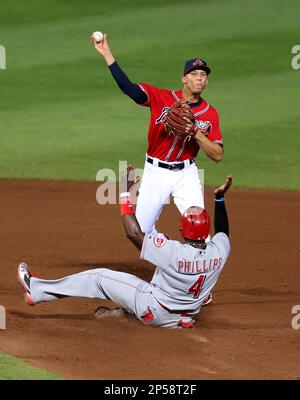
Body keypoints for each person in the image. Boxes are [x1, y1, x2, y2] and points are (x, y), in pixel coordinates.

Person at [17, 170, 232, 329]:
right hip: (184, 317)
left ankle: (35, 290)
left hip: (154, 311)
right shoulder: (219, 252)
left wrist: (125, 194)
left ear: (182, 228)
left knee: (99, 278)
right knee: (154, 276)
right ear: (206, 231)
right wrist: (219, 199)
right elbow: (223, 232)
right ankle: (124, 313)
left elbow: (133, 233)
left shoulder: (172, 252)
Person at [91, 34, 224, 234]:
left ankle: (192, 264)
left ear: (206, 82)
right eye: (194, 73)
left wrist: (195, 132)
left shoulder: (210, 113)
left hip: (186, 175)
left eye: (203, 75)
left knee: (200, 230)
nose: (199, 77)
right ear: (184, 79)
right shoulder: (160, 97)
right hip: (156, 173)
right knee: (141, 232)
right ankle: (166, 257)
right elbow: (129, 89)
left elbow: (217, 155)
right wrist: (107, 55)